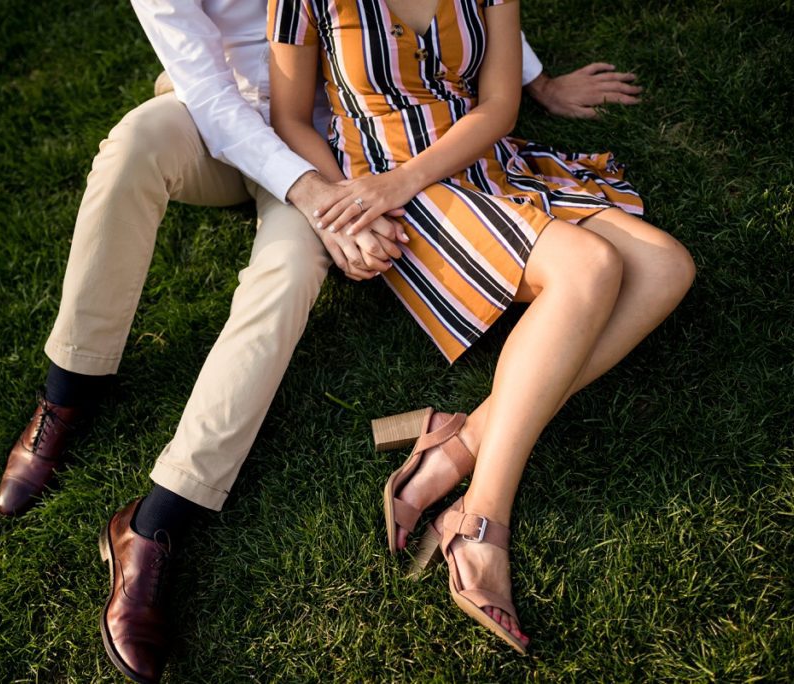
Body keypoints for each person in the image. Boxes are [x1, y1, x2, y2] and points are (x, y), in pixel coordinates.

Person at [0, 0, 647, 680]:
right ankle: (69, 393)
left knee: (288, 272)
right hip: (224, 118)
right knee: (131, 144)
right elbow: (211, 95)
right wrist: (314, 198)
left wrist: (535, 79)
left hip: (340, 132)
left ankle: (156, 521)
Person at [269, 0, 694, 654]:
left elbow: (498, 105)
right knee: (589, 269)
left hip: (487, 166)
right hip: (396, 197)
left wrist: (409, 176)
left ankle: (460, 442)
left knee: (667, 267)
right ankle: (481, 522)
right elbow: (290, 120)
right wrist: (347, 205)